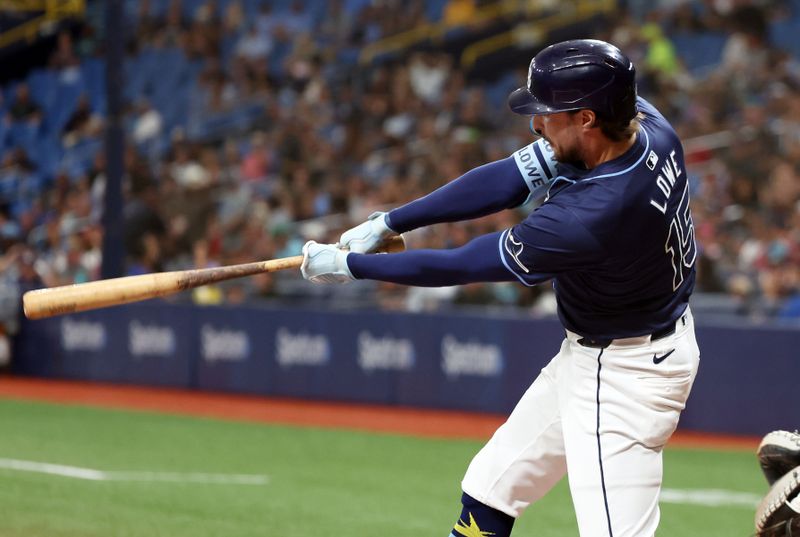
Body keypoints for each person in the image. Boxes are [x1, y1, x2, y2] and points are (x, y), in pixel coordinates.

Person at [301, 39, 700, 537]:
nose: (536, 124)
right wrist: (391, 221)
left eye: (549, 113)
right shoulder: (644, 123)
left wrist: (354, 266)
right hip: (606, 351)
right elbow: (509, 179)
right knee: (491, 487)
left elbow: (460, 265)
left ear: (586, 119)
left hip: (623, 376)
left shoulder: (592, 214)